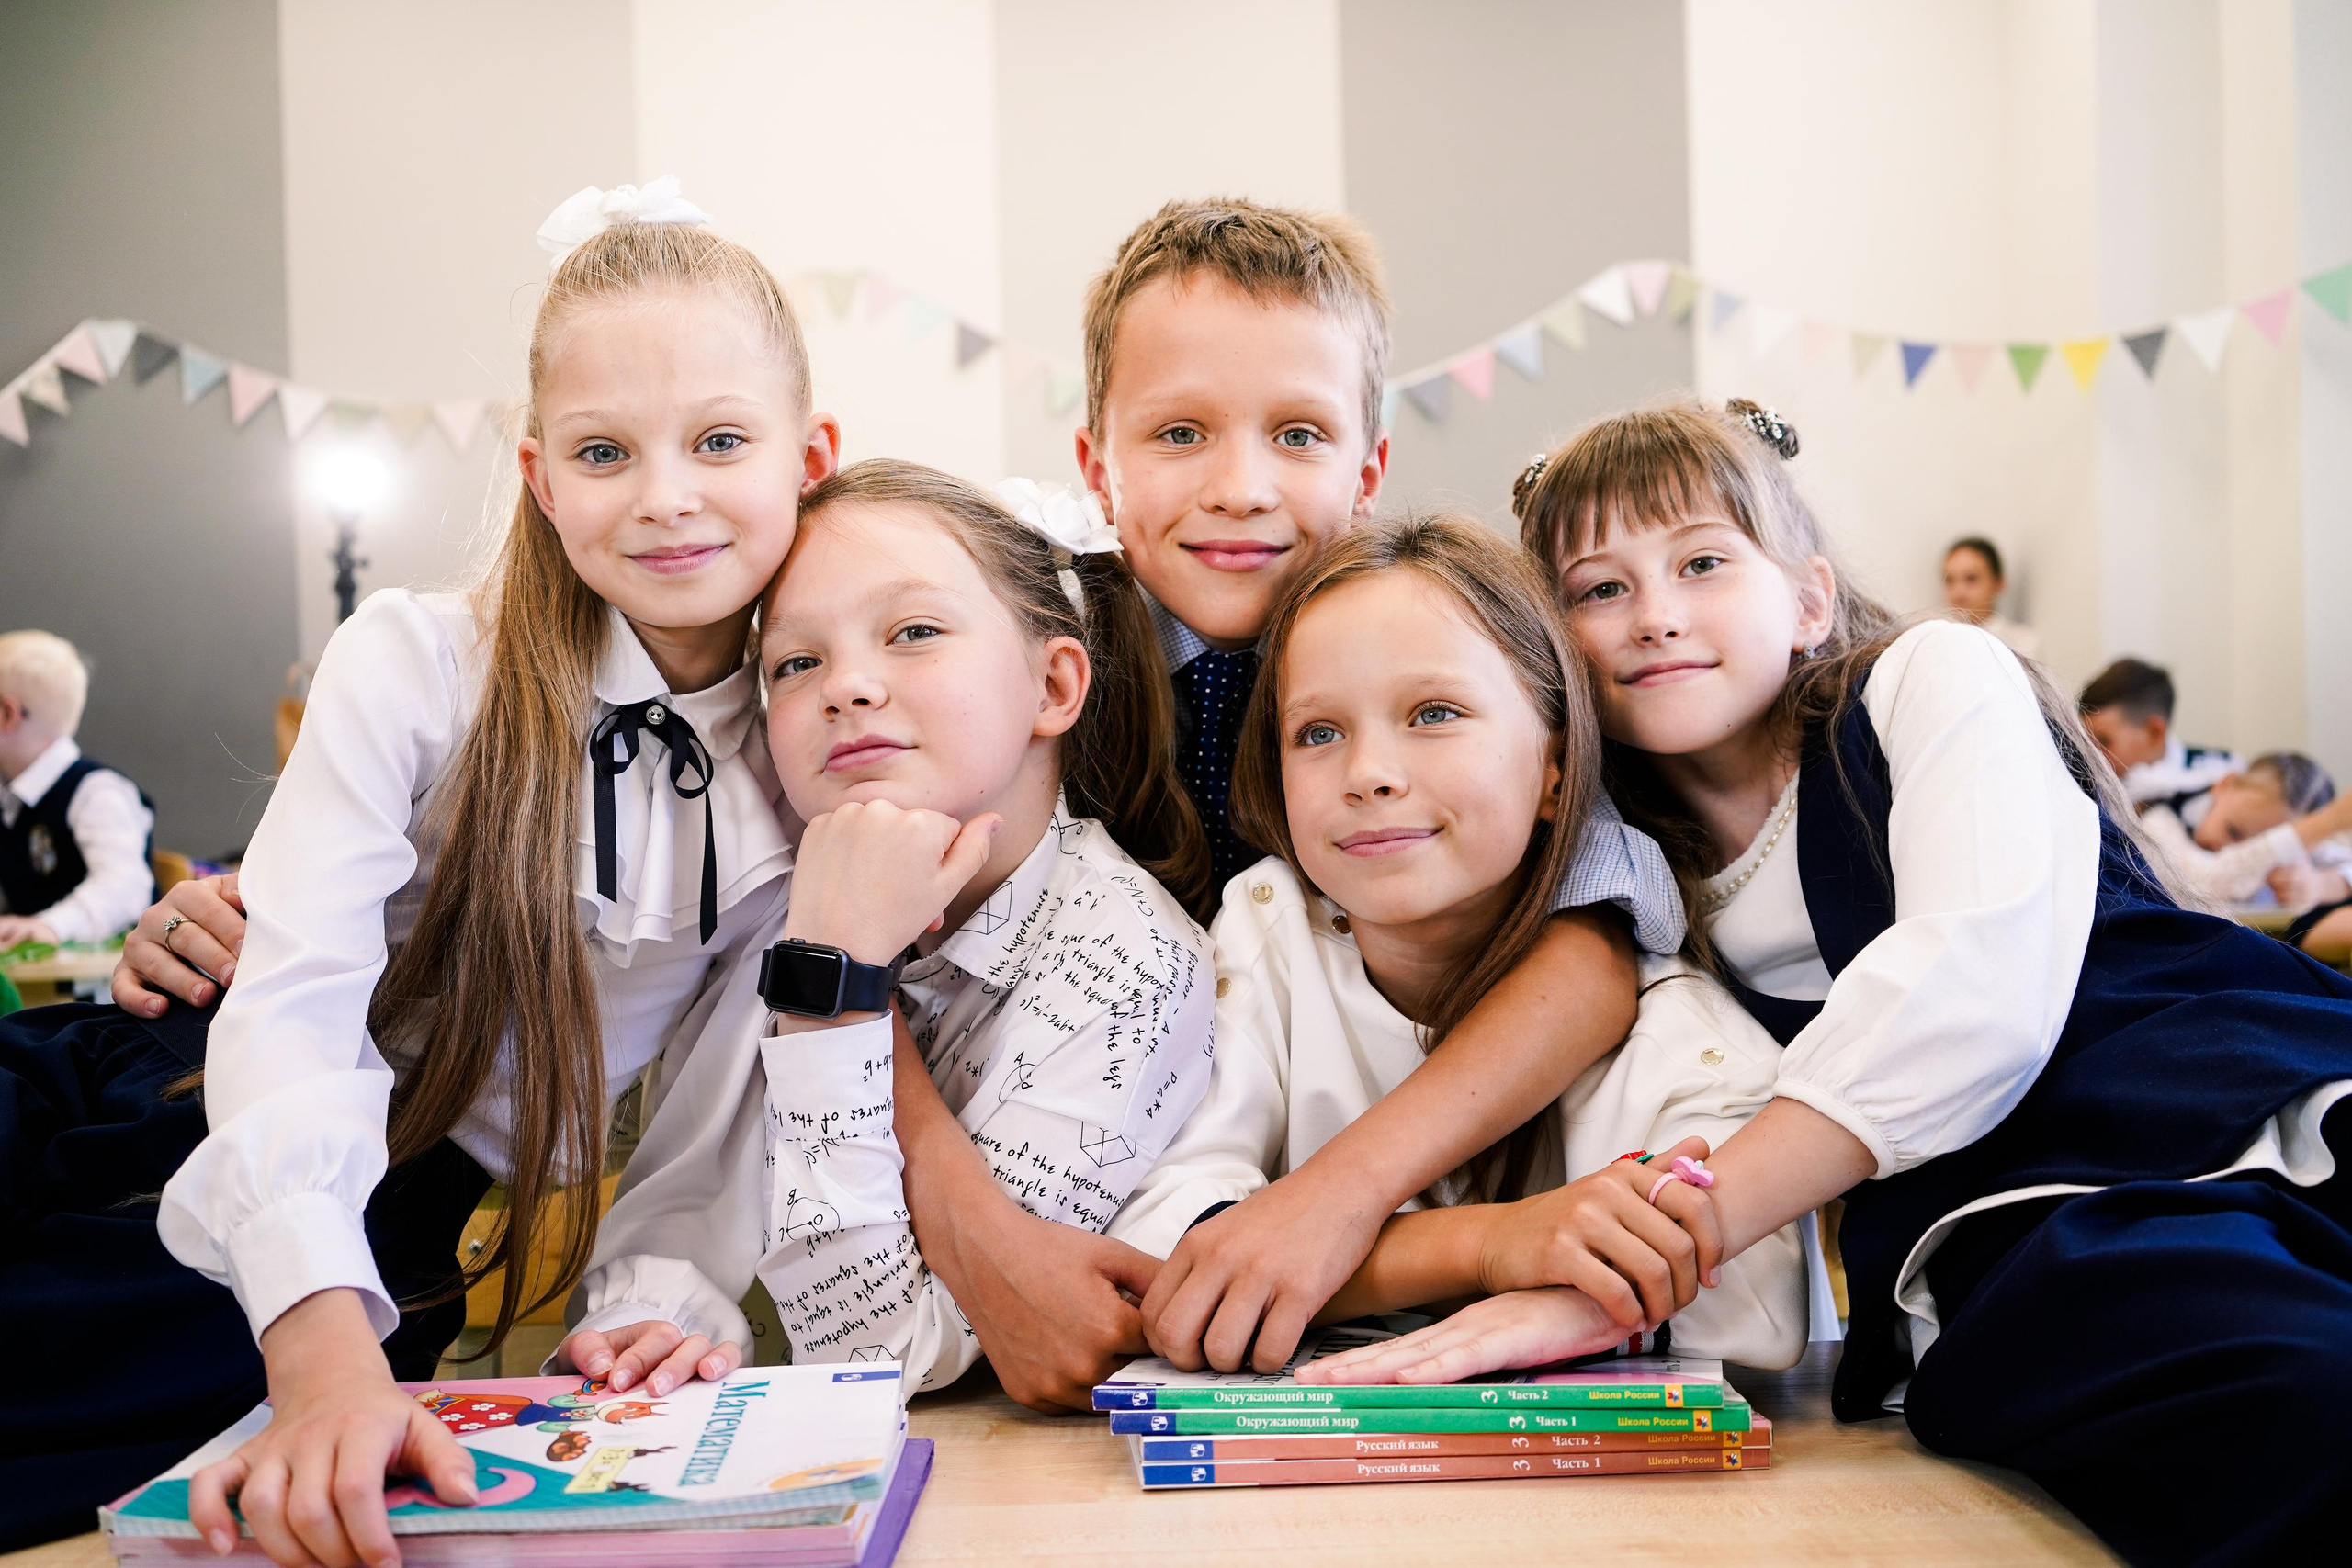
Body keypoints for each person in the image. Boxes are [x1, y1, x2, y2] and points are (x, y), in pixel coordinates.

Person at [1316, 397, 2352, 1565]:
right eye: (1598, 589)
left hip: (2241, 1088)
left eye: (1701, 562)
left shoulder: (1928, 674)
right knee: (2293, 1395)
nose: (1654, 616)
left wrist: (1626, 1274)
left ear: (1807, 597)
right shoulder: (1629, 859)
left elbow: (1974, 988)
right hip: (2019, 1224)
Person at [0, 183, 841, 1560]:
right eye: (605, 450)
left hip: (392, 1205)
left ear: (810, 453)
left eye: (721, 439)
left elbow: (715, 1113)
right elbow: (298, 993)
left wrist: (653, 1305)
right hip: (189, 1083)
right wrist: (321, 1343)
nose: (667, 494)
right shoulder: (415, 661)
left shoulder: (814, 756)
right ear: (538, 475)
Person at [1065, 195, 1684, 1378]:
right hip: (1116, 1206)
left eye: (1297, 434)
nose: (1241, 487)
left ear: (1369, 466)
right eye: (1179, 433)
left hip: (1347, 1200)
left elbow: (1595, 941)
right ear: (1097, 463)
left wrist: (1344, 1192)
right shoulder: (1033, 655)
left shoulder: (1436, 641)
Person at [553, 463, 1213, 1398]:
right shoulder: (769, 892)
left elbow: (879, 1361)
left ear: (1054, 684)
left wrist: (834, 995)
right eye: (796, 663)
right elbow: (687, 1207)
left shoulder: (1125, 960)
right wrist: (655, 1318)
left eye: (914, 632)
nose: (849, 686)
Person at [1113, 515, 1813, 1372]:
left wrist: (1321, 1251)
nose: (1370, 772)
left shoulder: (1671, 1028)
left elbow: (1746, 1310)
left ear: (1555, 769)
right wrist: (1494, 1244)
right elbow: (1161, 1253)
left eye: (1434, 713)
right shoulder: (1266, 927)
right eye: (1318, 732)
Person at [0, 629, 156, 948]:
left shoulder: (96, 792)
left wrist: (49, 926)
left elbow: (126, 888)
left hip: (100, 982)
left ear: (7, 713)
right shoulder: (10, 795)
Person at [2136, 751, 2352, 909]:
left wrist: (2320, 885)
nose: (2235, 851)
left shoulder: (2304, 842)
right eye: (2233, 831)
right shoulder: (2159, 816)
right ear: (2224, 785)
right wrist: (2326, 823)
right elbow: (2205, 882)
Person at [2078, 655, 2239, 811]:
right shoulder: (2083, 789)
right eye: (2085, 741)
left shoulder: (2223, 776)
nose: (2091, 755)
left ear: (2155, 732)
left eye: (2103, 741)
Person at [1939, 536, 2036, 660]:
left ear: (1998, 583)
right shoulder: (1935, 643)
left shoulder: (2025, 643)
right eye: (1949, 580)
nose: (1958, 592)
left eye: (1971, 578)